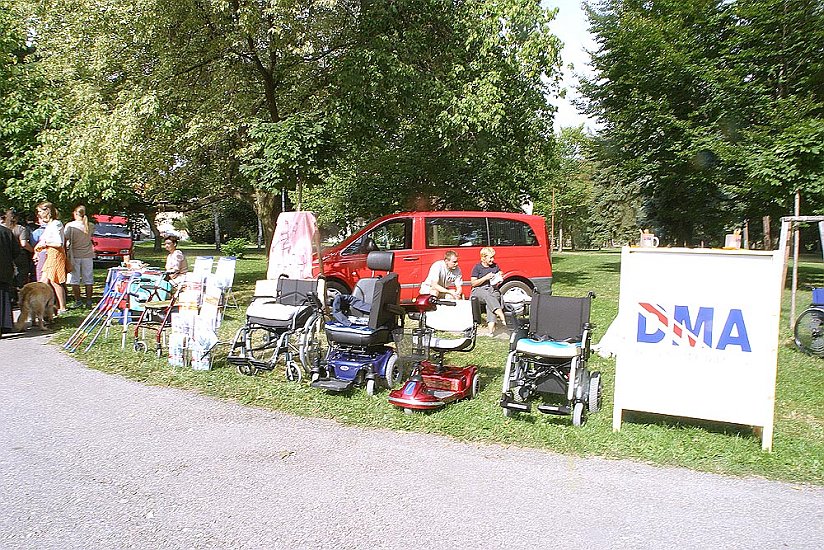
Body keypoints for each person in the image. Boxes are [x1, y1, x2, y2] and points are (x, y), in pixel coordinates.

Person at [33, 202, 68, 314]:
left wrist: (45, 244)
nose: (38, 214)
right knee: (43, 281)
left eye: (40, 211)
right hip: (50, 254)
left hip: (56, 254)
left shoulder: (56, 224)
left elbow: (59, 243)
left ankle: (62, 307)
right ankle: (43, 307)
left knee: (55, 281)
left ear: (46, 211)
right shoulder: (50, 225)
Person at [64, 205, 96, 308]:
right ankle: (89, 300)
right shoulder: (90, 225)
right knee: (88, 278)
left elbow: (65, 238)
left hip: (75, 255)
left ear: (75, 213)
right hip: (87, 254)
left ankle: (78, 300)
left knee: (75, 279)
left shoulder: (70, 226)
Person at [470, 247, 507, 336]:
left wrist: (499, 277)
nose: (492, 259)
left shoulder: (495, 266)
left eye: (493, 257)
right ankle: (501, 315)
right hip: (479, 289)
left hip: (492, 288)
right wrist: (485, 278)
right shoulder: (477, 267)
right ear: (483, 258)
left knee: (493, 297)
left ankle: (490, 331)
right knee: (488, 296)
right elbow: (473, 283)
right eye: (490, 258)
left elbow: (500, 275)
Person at [1, 208, 33, 300]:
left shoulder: (3, 228)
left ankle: (11, 297)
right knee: (22, 276)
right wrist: (33, 250)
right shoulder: (20, 228)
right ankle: (21, 297)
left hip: (6, 256)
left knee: (10, 277)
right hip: (20, 255)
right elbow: (24, 244)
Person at [0, 222, 21, 334]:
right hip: (5, 268)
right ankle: (5, 324)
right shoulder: (6, 231)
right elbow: (16, 251)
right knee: (4, 296)